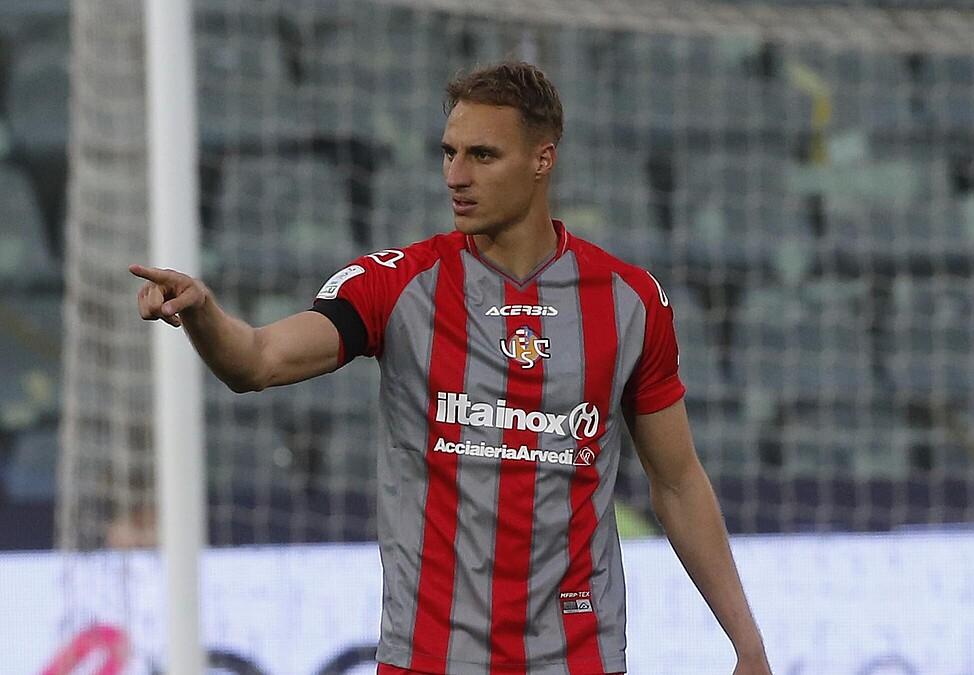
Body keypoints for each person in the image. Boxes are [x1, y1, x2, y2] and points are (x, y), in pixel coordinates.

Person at [131, 61, 770, 675]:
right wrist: (204, 313)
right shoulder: (398, 285)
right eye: (448, 152)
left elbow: (679, 482)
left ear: (542, 159)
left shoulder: (629, 302)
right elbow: (258, 362)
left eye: (482, 156)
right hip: (429, 656)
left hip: (579, 653)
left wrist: (746, 643)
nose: (455, 176)